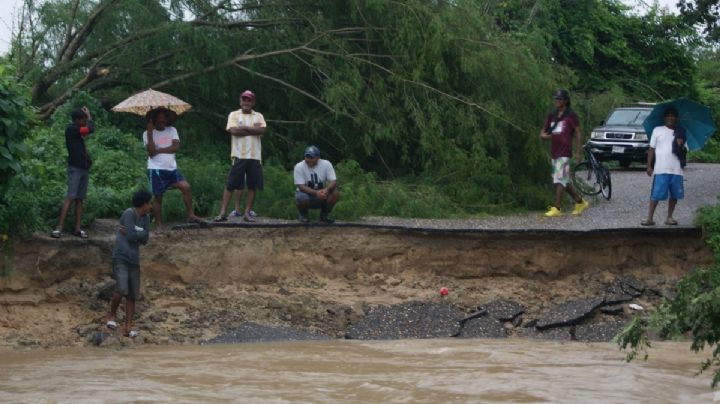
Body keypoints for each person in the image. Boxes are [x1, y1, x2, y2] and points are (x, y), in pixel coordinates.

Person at [143, 108, 202, 232]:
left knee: (186, 187)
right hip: (156, 169)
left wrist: (159, 150)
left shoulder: (172, 130)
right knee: (158, 197)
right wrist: (149, 133)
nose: (161, 119)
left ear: (167, 119)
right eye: (158, 117)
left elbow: (175, 147)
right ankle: (159, 225)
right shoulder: (146, 133)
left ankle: (191, 215)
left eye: (163, 117)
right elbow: (151, 152)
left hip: (172, 169)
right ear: (153, 119)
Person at [214, 90, 267, 222]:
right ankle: (222, 213)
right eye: (244, 100)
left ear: (253, 102)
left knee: (252, 185)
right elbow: (234, 131)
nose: (246, 102)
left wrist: (244, 128)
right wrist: (252, 129)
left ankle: (247, 213)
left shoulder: (258, 115)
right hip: (239, 155)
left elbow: (262, 130)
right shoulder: (234, 114)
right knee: (231, 184)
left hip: (255, 156)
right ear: (240, 101)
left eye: (249, 100)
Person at [106, 189, 152, 338]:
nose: (150, 206)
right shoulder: (128, 214)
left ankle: (128, 327)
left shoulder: (146, 218)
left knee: (132, 295)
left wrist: (135, 235)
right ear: (144, 204)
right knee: (121, 288)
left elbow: (144, 238)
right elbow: (135, 236)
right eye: (149, 203)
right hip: (121, 257)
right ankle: (111, 316)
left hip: (134, 260)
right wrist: (137, 235)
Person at [539, 89, 589, 217]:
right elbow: (544, 132)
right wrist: (547, 136)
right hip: (554, 151)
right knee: (563, 180)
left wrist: (578, 151)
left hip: (565, 151)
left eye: (560, 99)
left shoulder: (571, 115)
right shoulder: (552, 115)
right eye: (556, 99)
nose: (557, 101)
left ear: (566, 101)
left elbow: (578, 133)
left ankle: (557, 208)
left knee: (560, 178)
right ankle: (580, 202)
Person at [51, 106, 94, 238]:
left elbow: (87, 131)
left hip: (83, 168)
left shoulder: (77, 131)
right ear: (77, 120)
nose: (85, 122)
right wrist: (90, 116)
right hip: (75, 168)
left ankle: (77, 229)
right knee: (71, 197)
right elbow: (90, 129)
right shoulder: (71, 129)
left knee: (80, 199)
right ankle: (59, 228)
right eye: (83, 119)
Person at [642, 106, 686, 226]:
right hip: (661, 168)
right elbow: (651, 149)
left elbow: (684, 151)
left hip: (676, 168)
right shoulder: (657, 130)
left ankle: (669, 217)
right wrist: (649, 166)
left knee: (675, 194)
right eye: (668, 115)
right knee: (656, 194)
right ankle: (649, 218)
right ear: (664, 117)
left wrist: (681, 145)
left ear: (676, 118)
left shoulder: (681, 132)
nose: (670, 117)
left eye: (673, 115)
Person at [294, 145, 339, 223]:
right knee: (302, 198)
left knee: (335, 193)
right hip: (306, 194)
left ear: (318, 157)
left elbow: (333, 181)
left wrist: (326, 190)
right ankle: (303, 215)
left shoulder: (326, 164)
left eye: (312, 157)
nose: (309, 160)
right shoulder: (299, 166)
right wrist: (316, 193)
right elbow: (301, 186)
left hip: (322, 193)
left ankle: (324, 216)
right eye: (307, 157)